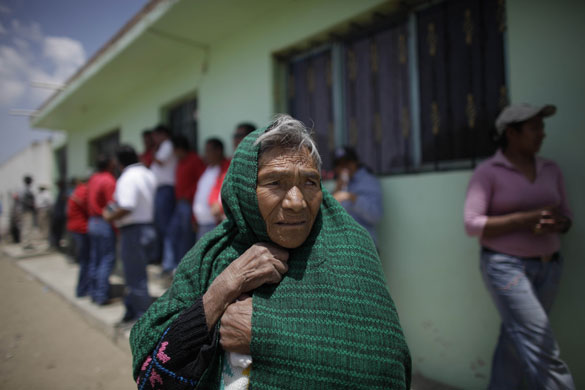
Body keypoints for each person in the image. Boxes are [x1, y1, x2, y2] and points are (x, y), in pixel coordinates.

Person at [130, 115, 411, 389]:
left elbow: (387, 370)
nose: (296, 202)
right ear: (245, 190)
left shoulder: (351, 248)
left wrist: (266, 336)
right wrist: (223, 288)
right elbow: (150, 369)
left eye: (310, 182)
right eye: (275, 182)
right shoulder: (211, 255)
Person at [464, 103, 575, 389]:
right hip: (506, 266)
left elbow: (567, 217)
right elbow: (472, 224)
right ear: (511, 133)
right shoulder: (488, 172)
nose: (542, 134)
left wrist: (558, 224)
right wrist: (524, 219)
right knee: (540, 346)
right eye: (535, 127)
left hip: (549, 265)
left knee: (516, 341)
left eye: (542, 127)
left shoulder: (551, 169)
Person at [104, 145, 158, 325]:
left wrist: (109, 216)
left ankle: (142, 319)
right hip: (147, 227)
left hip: (133, 230)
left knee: (135, 276)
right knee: (136, 275)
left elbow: (127, 205)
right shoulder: (148, 173)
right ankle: (132, 310)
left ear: (119, 163)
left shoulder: (127, 177)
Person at [162, 135, 205, 275]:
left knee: (186, 237)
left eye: (175, 150)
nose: (174, 153)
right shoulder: (179, 162)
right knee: (172, 233)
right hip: (179, 204)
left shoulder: (194, 160)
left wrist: (188, 195)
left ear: (180, 148)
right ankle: (169, 265)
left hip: (189, 204)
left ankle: (182, 267)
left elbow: (201, 181)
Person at [332, 146, 383, 245]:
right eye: (339, 165)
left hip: (364, 245)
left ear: (355, 163)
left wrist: (352, 198)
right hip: (342, 246)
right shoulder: (339, 184)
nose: (344, 168)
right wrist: (337, 189)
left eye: (347, 163)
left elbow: (375, 215)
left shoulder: (368, 181)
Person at [209, 122, 257, 223]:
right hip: (226, 219)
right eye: (234, 136)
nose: (235, 140)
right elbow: (217, 187)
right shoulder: (229, 162)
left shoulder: (257, 161)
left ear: (251, 137)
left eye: (239, 136)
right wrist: (214, 203)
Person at [87, 155, 117, 305]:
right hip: (104, 222)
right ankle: (101, 295)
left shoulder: (93, 178)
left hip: (92, 222)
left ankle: (93, 292)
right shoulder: (108, 180)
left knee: (95, 259)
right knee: (107, 259)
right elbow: (112, 206)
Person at [192, 138, 230, 239]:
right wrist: (195, 218)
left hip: (215, 223)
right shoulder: (207, 169)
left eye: (208, 151)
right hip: (202, 223)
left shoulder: (225, 167)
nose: (205, 154)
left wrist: (218, 206)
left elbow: (222, 189)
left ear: (218, 151)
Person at [151, 125, 178, 264]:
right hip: (160, 190)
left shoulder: (167, 144)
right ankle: (164, 260)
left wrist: (153, 151)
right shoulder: (163, 146)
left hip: (165, 189)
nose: (154, 138)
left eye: (156, 135)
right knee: (161, 226)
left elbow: (160, 161)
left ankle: (168, 262)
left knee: (166, 227)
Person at [67, 177, 90, 297]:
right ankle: (82, 289)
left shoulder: (77, 190)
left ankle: (82, 289)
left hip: (76, 229)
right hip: (82, 229)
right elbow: (88, 207)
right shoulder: (83, 191)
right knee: (85, 261)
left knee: (84, 260)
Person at [20, 175, 36, 250]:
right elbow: (24, 201)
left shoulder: (26, 189)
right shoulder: (25, 190)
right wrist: (32, 204)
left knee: (27, 227)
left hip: (27, 211)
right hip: (27, 211)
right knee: (27, 227)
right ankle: (26, 244)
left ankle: (27, 243)